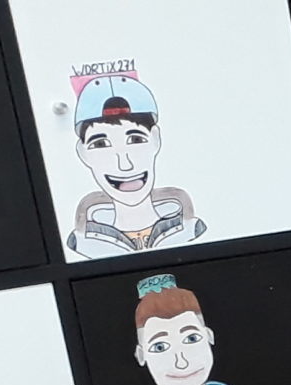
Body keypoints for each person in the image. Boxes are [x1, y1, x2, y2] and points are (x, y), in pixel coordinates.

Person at [66, 73, 205, 256]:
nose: (124, 164)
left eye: (135, 139)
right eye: (100, 144)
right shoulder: (82, 244)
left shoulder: (192, 231)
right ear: (82, 153)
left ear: (156, 139)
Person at [130, 274, 249, 385]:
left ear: (209, 336)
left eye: (191, 338)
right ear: (141, 356)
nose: (181, 362)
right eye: (160, 347)